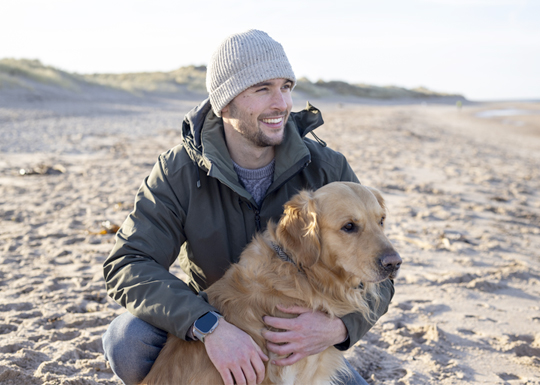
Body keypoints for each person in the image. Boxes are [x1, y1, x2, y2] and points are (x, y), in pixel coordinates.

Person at [102, 29, 395, 385]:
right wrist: (209, 326)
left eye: (286, 87)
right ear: (225, 103)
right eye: (262, 89)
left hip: (307, 343)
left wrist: (337, 328)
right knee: (128, 340)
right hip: (217, 328)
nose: (282, 103)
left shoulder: (327, 168)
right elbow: (130, 262)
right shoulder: (179, 171)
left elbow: (379, 269)